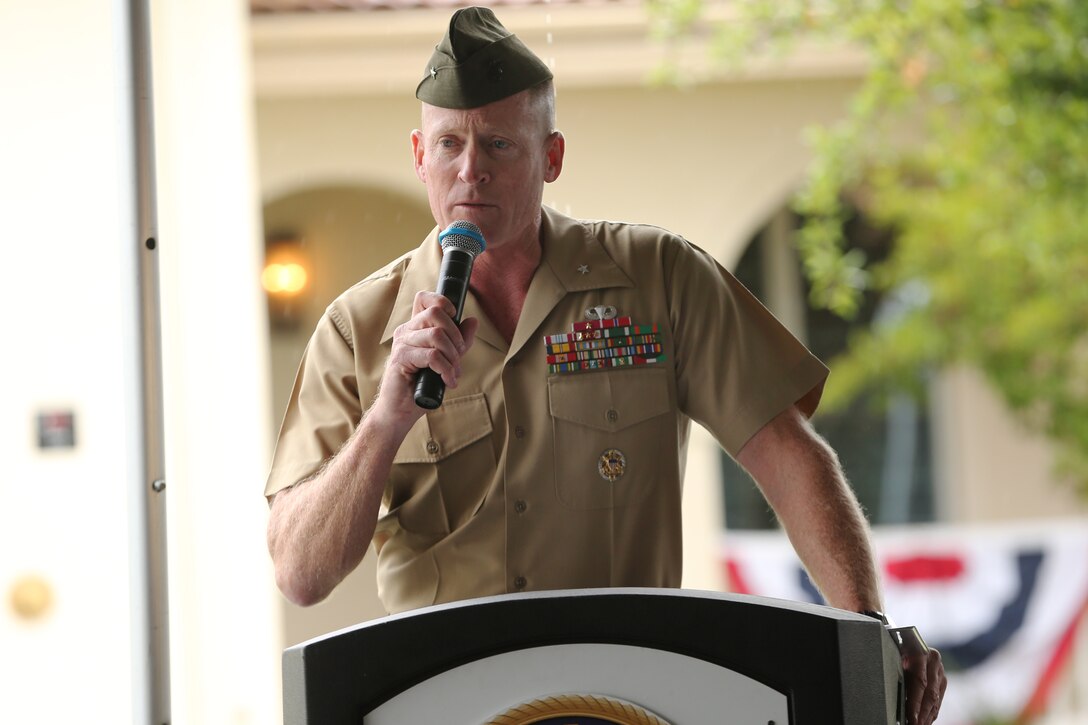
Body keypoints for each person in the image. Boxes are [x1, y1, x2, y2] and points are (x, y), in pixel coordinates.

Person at [264, 6, 946, 723]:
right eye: (448, 145)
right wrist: (386, 418)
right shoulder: (357, 328)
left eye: (499, 144)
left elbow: (786, 454)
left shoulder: (660, 277)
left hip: (628, 695)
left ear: (551, 156)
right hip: (449, 696)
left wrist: (868, 627)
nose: (471, 171)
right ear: (417, 154)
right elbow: (301, 572)